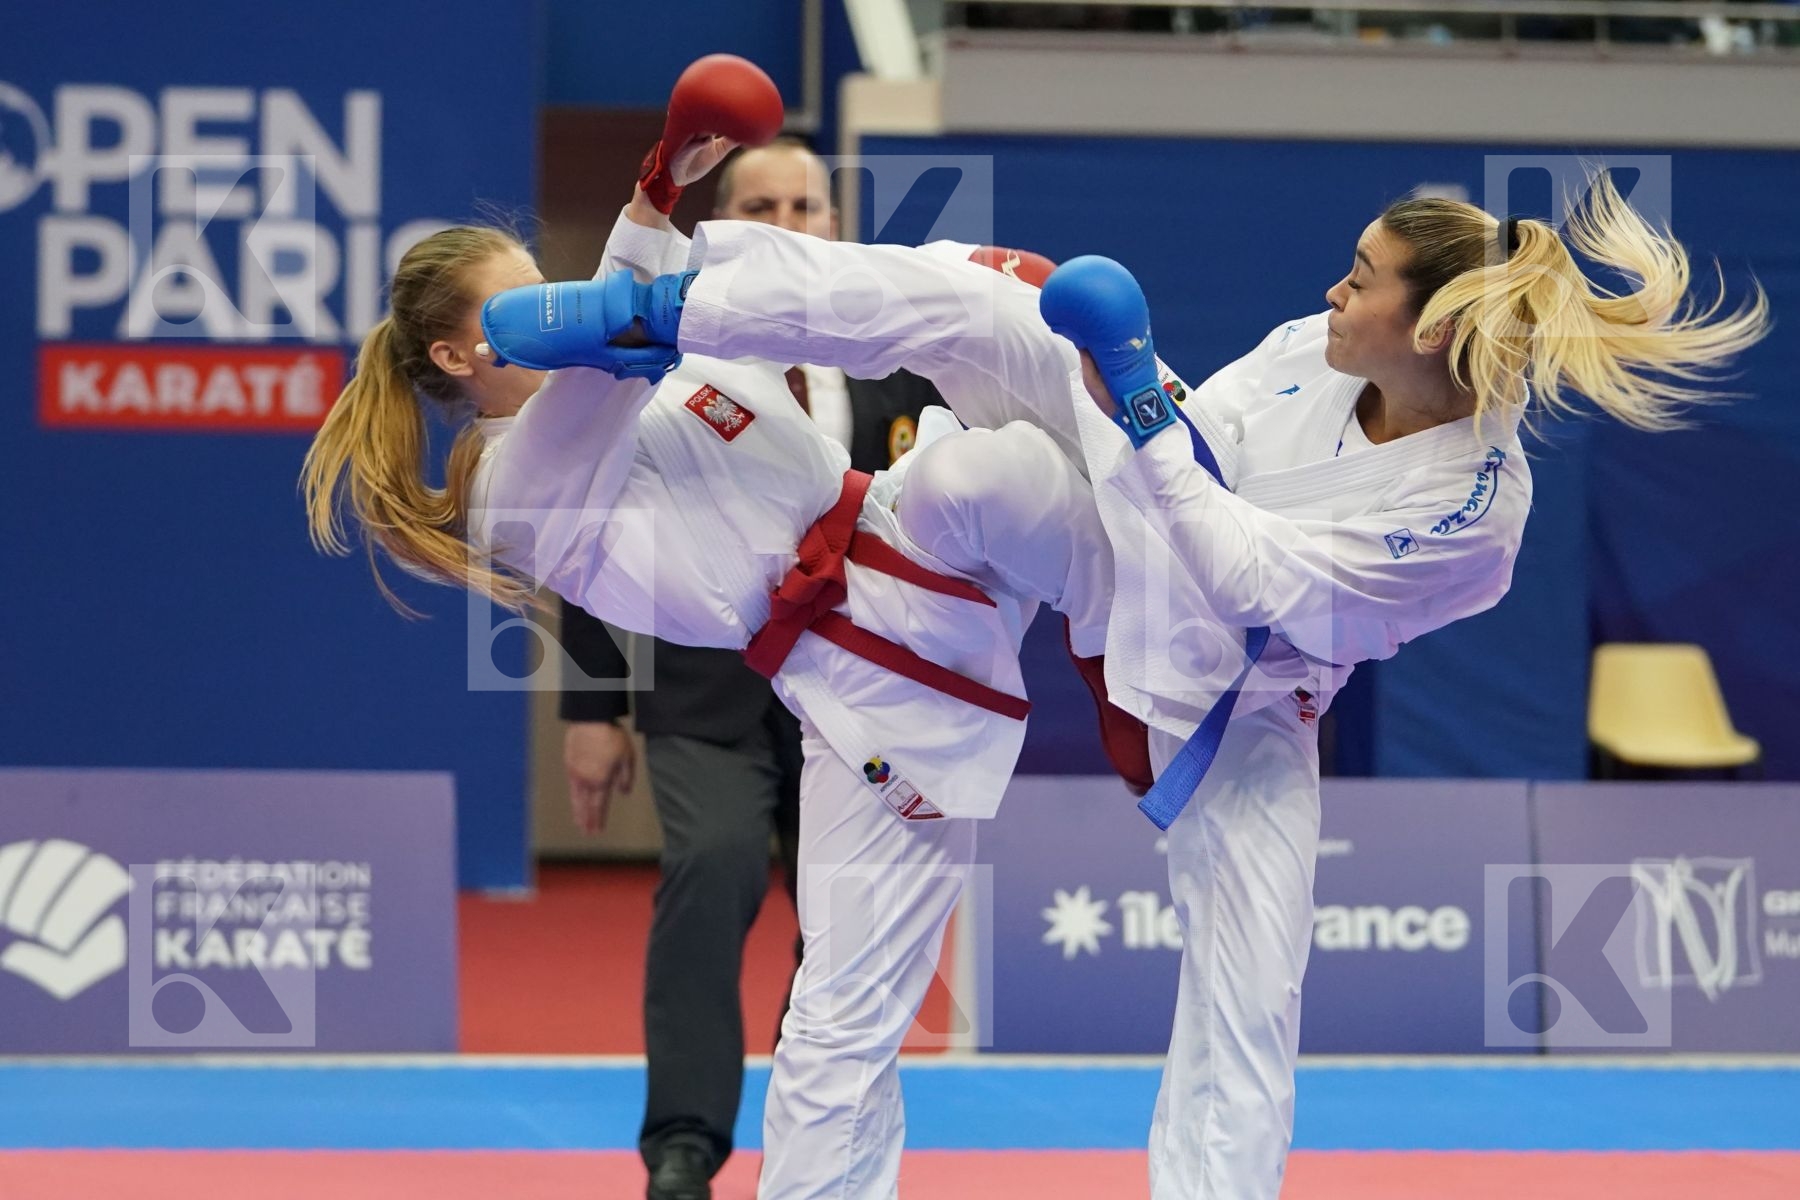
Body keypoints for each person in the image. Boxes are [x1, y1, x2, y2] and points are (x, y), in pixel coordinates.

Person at [605, 169, 1766, 1199]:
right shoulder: (1314, 348)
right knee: (994, 301)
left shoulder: (1472, 513)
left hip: (1240, 696)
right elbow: (1193, 441)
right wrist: (1125, 398)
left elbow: (1251, 575)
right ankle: (674, 308)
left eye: (1362, 283)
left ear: (1428, 332)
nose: (1333, 297)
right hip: (1135, 540)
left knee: (1251, 990)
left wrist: (1133, 395)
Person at [302, 132, 1114, 1199]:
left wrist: (659, 183)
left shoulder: (638, 367)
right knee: (843, 1022)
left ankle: (1184, 519)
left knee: (981, 407)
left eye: (546, 292)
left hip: (914, 547)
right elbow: (608, 352)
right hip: (876, 683)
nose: (551, 312)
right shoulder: (517, 486)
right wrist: (651, 208)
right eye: (515, 312)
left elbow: (645, 313)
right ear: (460, 358)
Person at [554, 135, 942, 1200]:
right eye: (758, 202)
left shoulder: (897, 361)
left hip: (858, 697)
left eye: (805, 204)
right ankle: (683, 1143)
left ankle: (810, 1134)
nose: (784, 221)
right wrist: (590, 705)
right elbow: (592, 512)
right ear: (721, 230)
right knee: (713, 869)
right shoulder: (671, 355)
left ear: (833, 224)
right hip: (708, 687)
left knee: (846, 921)